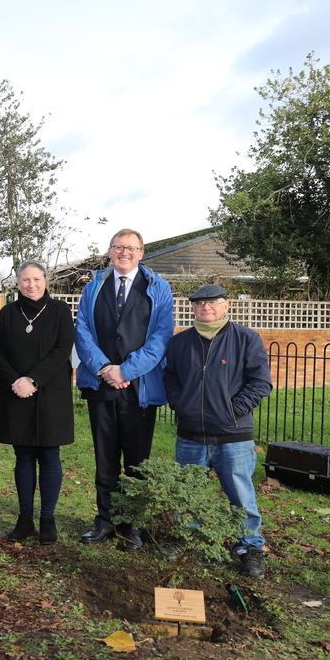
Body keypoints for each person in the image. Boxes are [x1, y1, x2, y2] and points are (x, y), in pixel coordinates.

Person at [74, 228, 174, 550]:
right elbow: (83, 331)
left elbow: (160, 339)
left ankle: (134, 527)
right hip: (101, 386)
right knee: (105, 459)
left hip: (139, 389)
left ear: (141, 253)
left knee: (137, 462)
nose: (124, 252)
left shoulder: (158, 289)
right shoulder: (94, 287)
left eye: (131, 248)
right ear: (110, 251)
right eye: (119, 247)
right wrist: (105, 369)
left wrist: (126, 370)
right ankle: (105, 522)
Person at [163, 284, 272, 578]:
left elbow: (260, 383)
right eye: (199, 303)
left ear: (226, 305)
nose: (205, 307)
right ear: (192, 308)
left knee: (241, 494)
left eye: (213, 302)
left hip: (232, 437)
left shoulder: (246, 338)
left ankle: (250, 547)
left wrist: (232, 411)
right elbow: (170, 376)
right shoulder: (180, 342)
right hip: (190, 436)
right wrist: (179, 404)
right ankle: (187, 539)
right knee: (187, 493)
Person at [0, 260, 75, 546]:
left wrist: (34, 380)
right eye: (25, 280)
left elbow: (63, 349)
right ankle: (24, 519)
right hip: (17, 394)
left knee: (50, 456)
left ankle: (47, 519)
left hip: (51, 393)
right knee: (24, 457)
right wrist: (17, 381)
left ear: (45, 280)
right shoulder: (7, 313)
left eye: (36, 279)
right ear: (18, 282)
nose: (31, 284)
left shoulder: (60, 311)